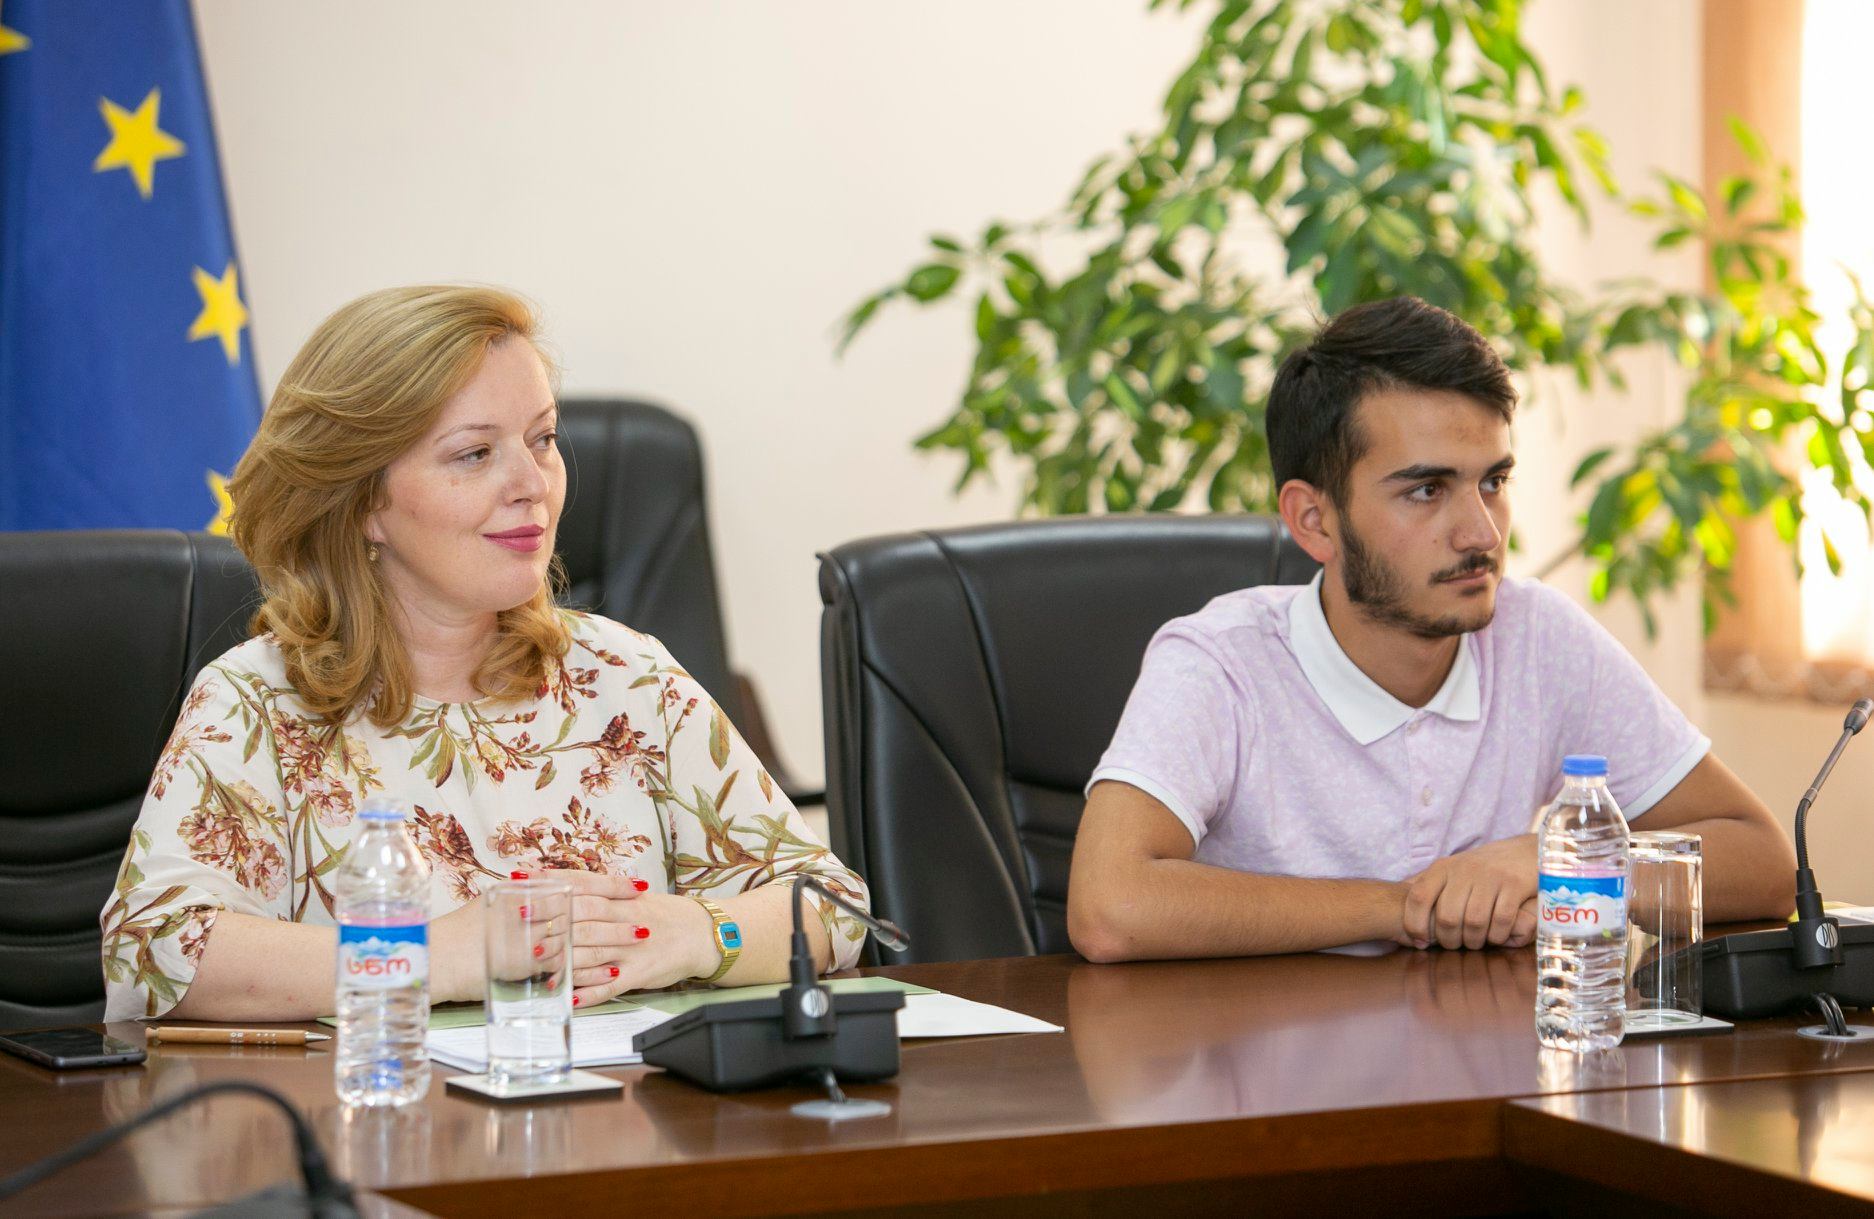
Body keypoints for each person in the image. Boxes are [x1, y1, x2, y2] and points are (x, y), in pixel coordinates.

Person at [101, 285, 868, 1021]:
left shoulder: (626, 678)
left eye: (543, 439)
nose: (534, 483)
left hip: (621, 1104)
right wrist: (446, 954)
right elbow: (154, 953)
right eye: (473, 453)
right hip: (378, 1106)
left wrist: (697, 933)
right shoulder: (258, 702)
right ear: (365, 501)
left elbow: (834, 906)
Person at [1067, 296, 1796, 963]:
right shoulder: (1220, 661)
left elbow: (1763, 862)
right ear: (1313, 520)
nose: (1482, 533)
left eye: (1493, 482)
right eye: (1426, 489)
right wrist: (1407, 906)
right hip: (1263, 1060)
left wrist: (1558, 861)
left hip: (1470, 1050)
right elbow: (1110, 907)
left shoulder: (1538, 637)